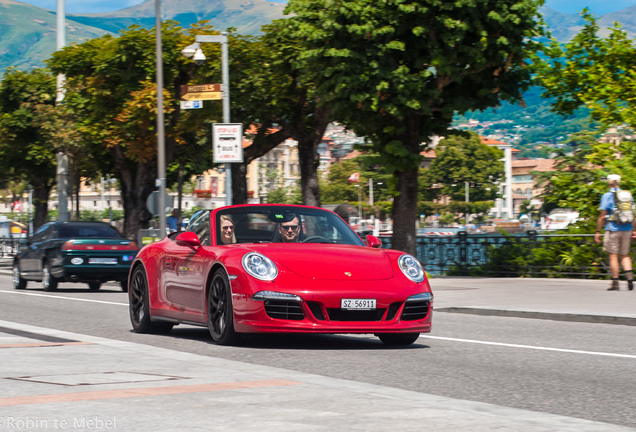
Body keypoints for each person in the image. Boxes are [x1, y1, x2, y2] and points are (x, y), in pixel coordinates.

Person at [594, 174, 636, 291]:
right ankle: (629, 276)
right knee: (625, 254)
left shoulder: (607, 196)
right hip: (627, 228)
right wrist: (634, 229)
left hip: (613, 229)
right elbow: (632, 213)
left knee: (613, 256)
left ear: (609, 183)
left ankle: (615, 282)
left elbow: (602, 216)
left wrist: (598, 231)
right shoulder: (628, 196)